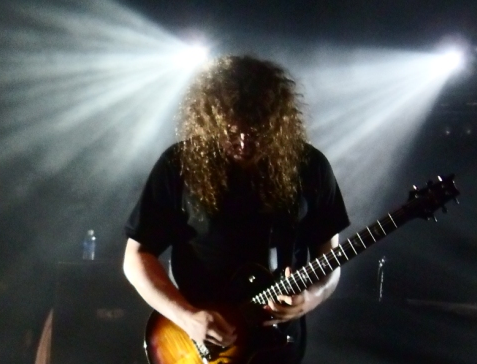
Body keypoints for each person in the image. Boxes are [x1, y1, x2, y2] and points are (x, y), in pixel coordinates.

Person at [122, 55, 350, 363]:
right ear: (211, 122)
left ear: (277, 124)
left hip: (277, 348)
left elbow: (330, 263)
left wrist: (310, 298)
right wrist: (186, 317)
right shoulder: (179, 165)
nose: (243, 143)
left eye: (256, 131)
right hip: (198, 346)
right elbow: (136, 258)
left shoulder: (311, 168)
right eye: (231, 132)